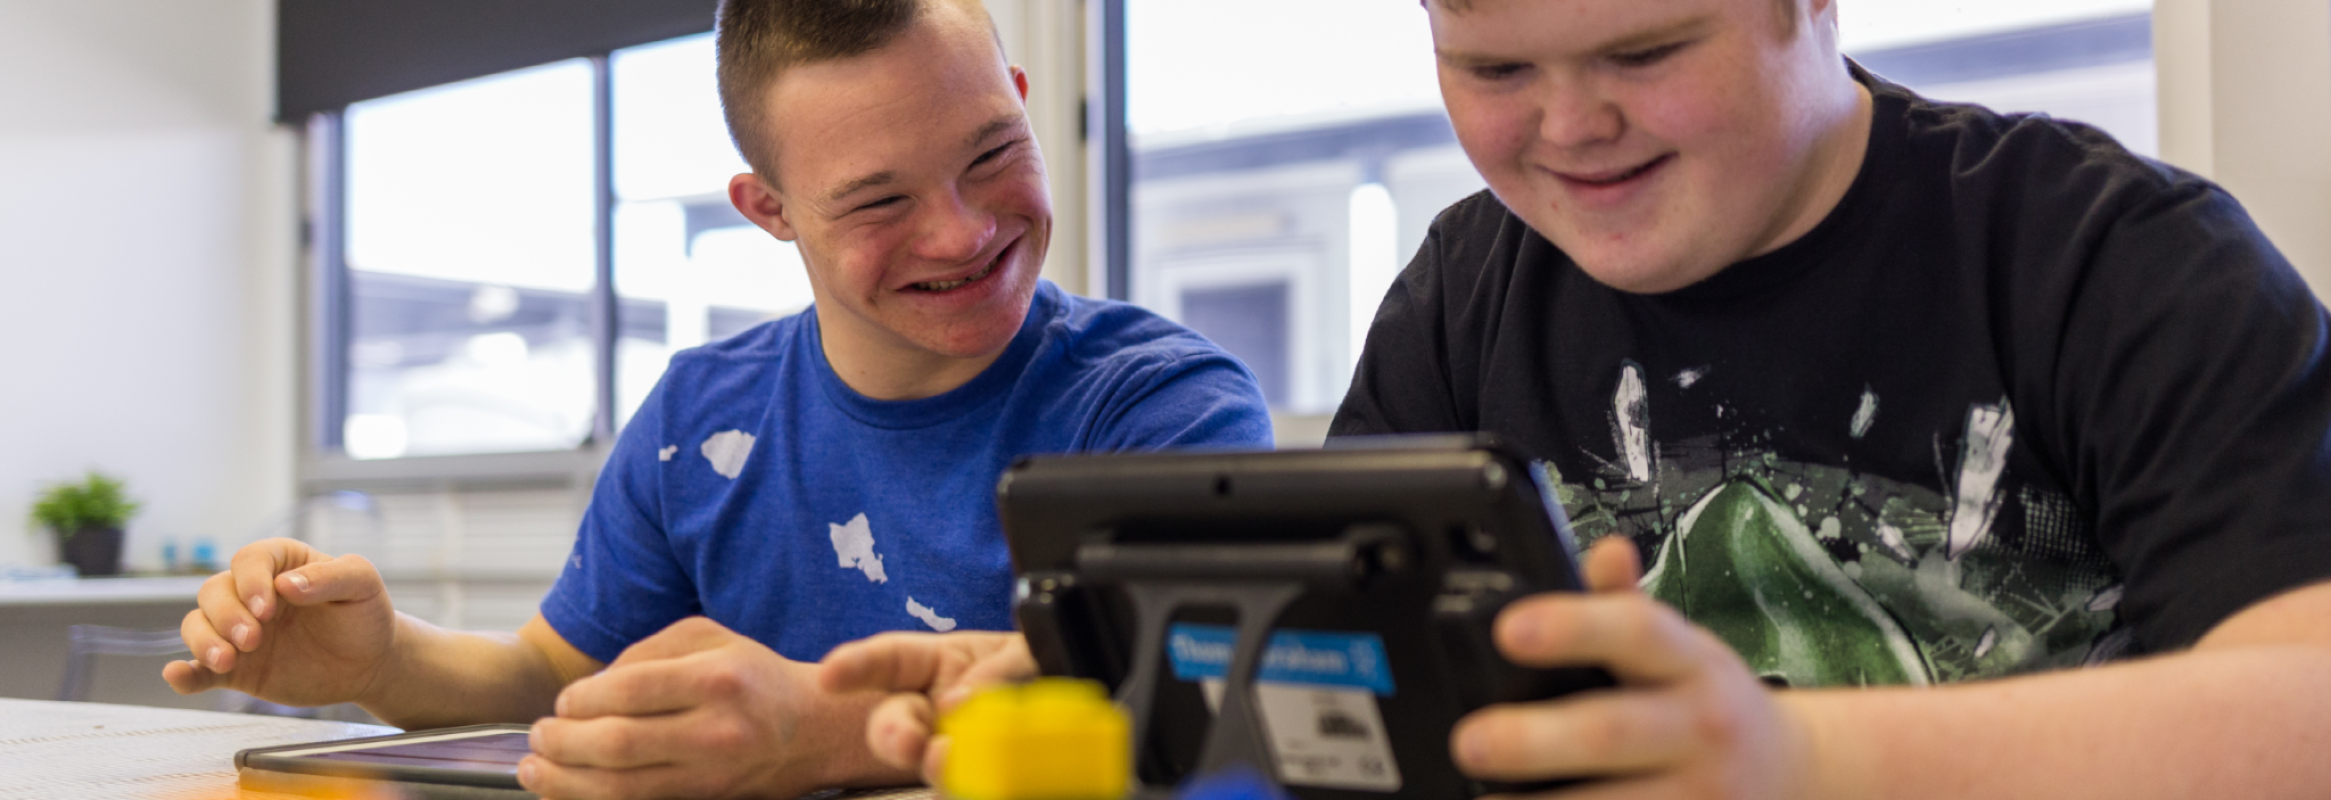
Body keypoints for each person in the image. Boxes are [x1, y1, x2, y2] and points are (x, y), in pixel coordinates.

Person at [830, 0, 2331, 796]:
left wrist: (1801, 764)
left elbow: (2302, 707)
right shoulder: (1467, 288)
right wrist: (1133, 704)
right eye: (1489, 66)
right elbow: (1325, 687)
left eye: (1644, 49)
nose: (1569, 129)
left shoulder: (2101, 255)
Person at [163, 1, 1271, 798]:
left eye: (991, 154)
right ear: (769, 208)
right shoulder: (702, 413)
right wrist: (380, 662)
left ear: (1024, 103)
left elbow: (1199, 715)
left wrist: (823, 733)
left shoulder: (1163, 410)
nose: (964, 229)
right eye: (878, 199)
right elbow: (553, 674)